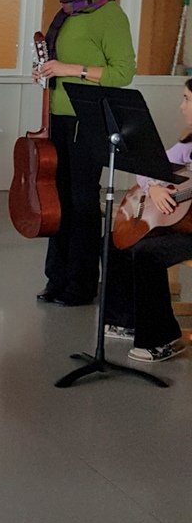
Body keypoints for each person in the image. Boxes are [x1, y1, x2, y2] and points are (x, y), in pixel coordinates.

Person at [36, 0, 136, 305]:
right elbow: (60, 61)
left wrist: (69, 69)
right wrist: (48, 71)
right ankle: (57, 278)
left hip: (88, 120)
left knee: (81, 201)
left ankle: (81, 284)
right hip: (59, 117)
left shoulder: (110, 15)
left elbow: (122, 72)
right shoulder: (67, 12)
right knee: (58, 198)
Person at [103, 80, 192, 363]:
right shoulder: (188, 145)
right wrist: (154, 187)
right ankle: (126, 320)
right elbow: (147, 168)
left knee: (147, 254)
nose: (181, 106)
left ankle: (163, 338)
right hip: (179, 223)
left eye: (187, 99)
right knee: (113, 242)